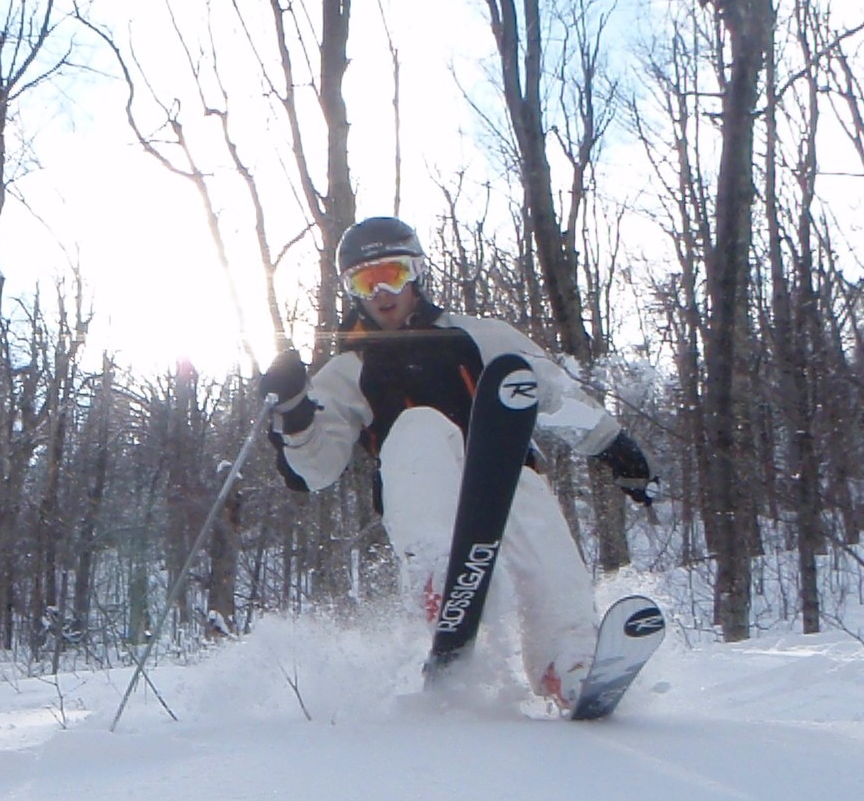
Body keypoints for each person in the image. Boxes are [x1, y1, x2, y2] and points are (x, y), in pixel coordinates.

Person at [261, 216, 657, 710]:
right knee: (418, 427)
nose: (382, 292)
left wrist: (613, 446)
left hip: (499, 480)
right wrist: (295, 415)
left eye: (392, 274)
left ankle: (569, 660)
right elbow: (315, 470)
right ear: (352, 292)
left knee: (528, 494)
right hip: (425, 494)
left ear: (416, 273)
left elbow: (553, 394)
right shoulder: (347, 371)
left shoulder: (481, 337)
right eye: (365, 282)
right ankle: (440, 576)